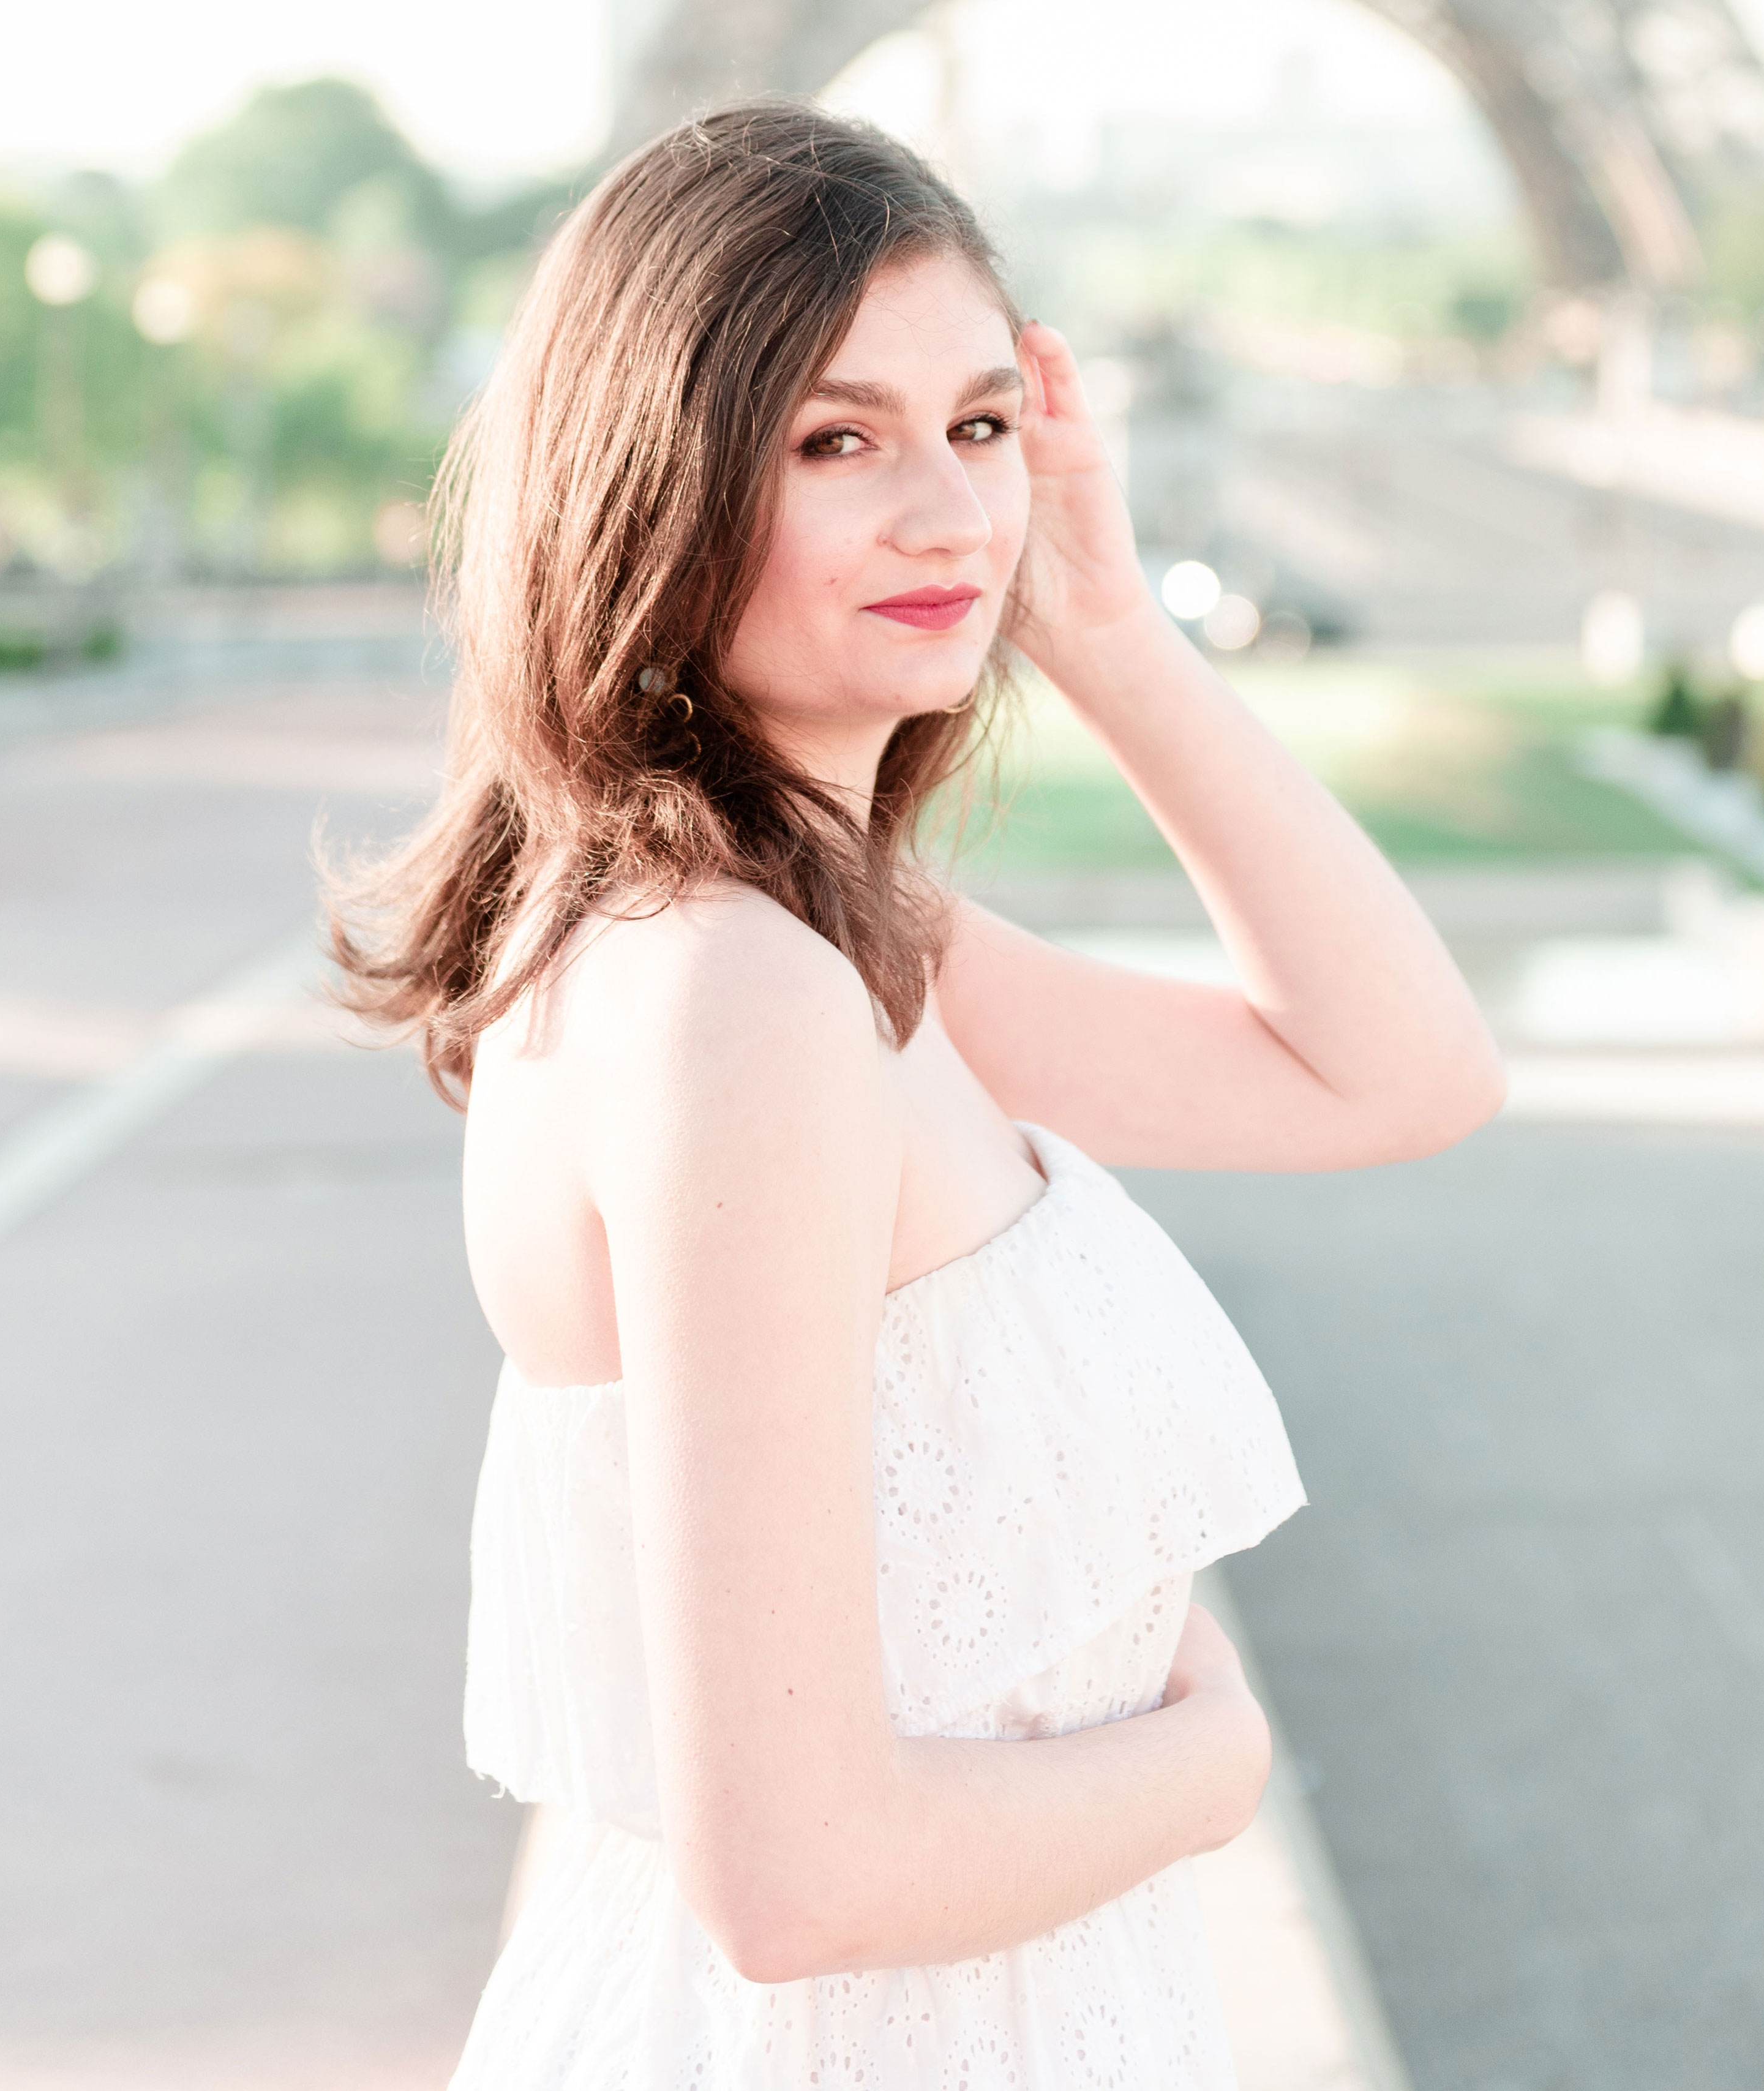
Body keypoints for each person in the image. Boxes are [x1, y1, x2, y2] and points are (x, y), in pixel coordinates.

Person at [332, 98, 1504, 2089]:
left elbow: (1398, 1074)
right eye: (834, 439)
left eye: (978, 426)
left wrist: (1116, 631)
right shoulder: (738, 998)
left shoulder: (848, 948)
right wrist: (1209, 1763)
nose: (950, 515)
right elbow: (795, 1878)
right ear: (655, 479)